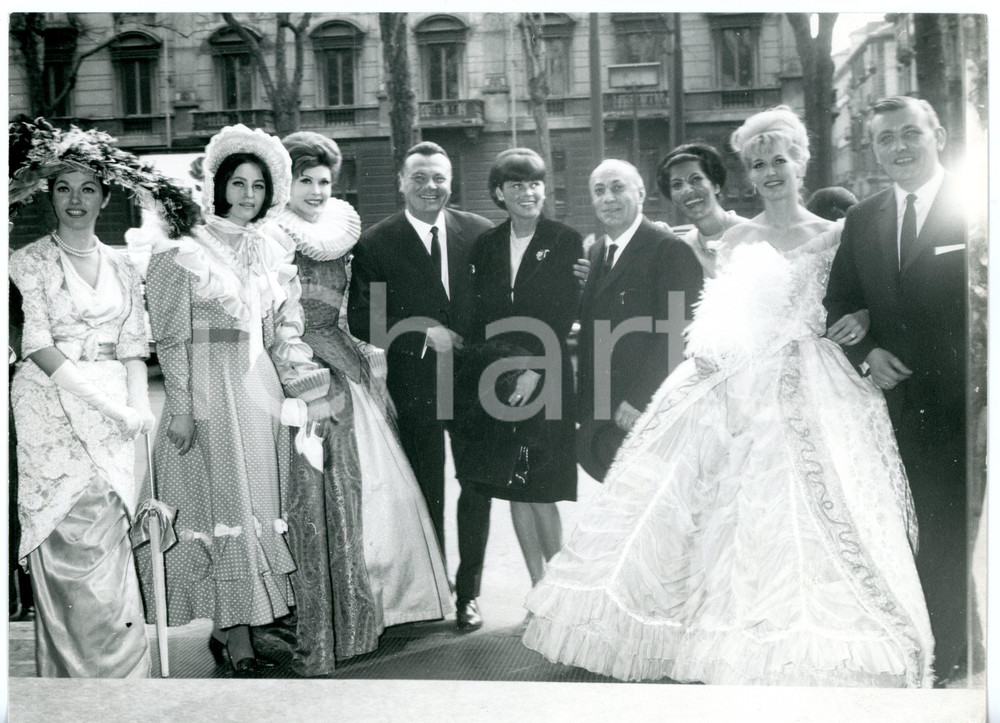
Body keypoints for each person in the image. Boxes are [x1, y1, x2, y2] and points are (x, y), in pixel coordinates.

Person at [523, 106, 934, 687]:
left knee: (805, 510)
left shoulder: (836, 233)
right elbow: (719, 316)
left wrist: (860, 315)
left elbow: (852, 298)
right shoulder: (734, 237)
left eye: (780, 160)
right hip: (736, 377)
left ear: (801, 163)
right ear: (749, 173)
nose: (770, 172)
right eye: (759, 164)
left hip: (817, 381)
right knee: (703, 506)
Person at [7, 119, 197, 677]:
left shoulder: (122, 263)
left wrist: (138, 411)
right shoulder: (28, 262)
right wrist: (115, 408)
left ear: (105, 196)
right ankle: (75, 681)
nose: (75, 199)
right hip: (51, 410)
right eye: (63, 187)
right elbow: (37, 342)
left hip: (116, 414)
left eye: (88, 188)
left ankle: (122, 679)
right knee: (69, 539)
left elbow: (136, 344)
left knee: (112, 539)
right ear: (49, 195)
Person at [267, 131, 452, 675]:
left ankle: (373, 606)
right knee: (313, 491)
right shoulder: (274, 237)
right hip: (299, 367)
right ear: (287, 183)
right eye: (306, 180)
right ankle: (317, 613)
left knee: (374, 488)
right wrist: (304, 379)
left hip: (345, 362)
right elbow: (278, 320)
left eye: (324, 180)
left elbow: (355, 311)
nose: (317, 190)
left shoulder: (338, 236)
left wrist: (372, 363)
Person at [138, 124, 318, 676]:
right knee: (221, 509)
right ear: (217, 186)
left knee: (256, 509)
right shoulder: (181, 252)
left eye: (257, 187)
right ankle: (236, 640)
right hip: (210, 388)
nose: (247, 195)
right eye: (237, 183)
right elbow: (170, 337)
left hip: (257, 389)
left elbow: (276, 329)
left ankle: (236, 621)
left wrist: (297, 390)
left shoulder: (268, 249)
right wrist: (185, 405)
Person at [824, 96, 968, 685]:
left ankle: (955, 656)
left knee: (951, 530)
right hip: (891, 404)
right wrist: (866, 354)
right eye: (886, 139)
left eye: (911, 133)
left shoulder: (979, 206)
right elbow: (839, 301)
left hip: (967, 403)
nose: (900, 147)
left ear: (937, 133)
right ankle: (928, 648)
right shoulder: (864, 217)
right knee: (905, 530)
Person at [348, 142, 493, 630]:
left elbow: (507, 296)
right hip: (417, 382)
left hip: (475, 382)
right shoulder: (376, 242)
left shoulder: (478, 232)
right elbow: (364, 317)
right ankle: (434, 588)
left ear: (451, 181)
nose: (431, 187)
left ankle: (468, 592)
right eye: (420, 178)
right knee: (425, 487)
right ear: (401, 182)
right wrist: (419, 332)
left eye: (439, 178)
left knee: (477, 484)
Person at [452, 148, 582, 592]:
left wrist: (534, 372)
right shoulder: (486, 245)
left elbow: (563, 318)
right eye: (517, 185)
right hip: (499, 380)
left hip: (544, 377)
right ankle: (537, 587)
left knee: (541, 486)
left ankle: (560, 591)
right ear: (499, 193)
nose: (528, 193)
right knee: (516, 482)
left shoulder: (565, 240)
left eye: (535, 184)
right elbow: (478, 321)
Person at [575, 159, 703, 482]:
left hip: (643, 412)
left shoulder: (669, 251)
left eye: (618, 188)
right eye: (599, 191)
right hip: (604, 413)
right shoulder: (597, 253)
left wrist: (640, 399)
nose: (608, 198)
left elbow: (678, 335)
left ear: (641, 192)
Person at [656, 142, 748, 277]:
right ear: (673, 199)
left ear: (716, 185)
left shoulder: (752, 234)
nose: (687, 190)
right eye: (677, 185)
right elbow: (676, 297)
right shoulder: (683, 247)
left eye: (696, 179)